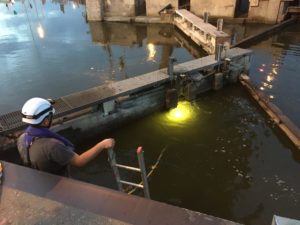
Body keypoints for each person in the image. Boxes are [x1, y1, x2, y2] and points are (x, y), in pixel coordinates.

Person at [17, 97, 115, 176]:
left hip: (39, 178)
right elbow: (79, 161)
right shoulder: (52, 146)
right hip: (57, 184)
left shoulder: (22, 138)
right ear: (45, 121)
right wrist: (102, 144)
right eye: (51, 116)